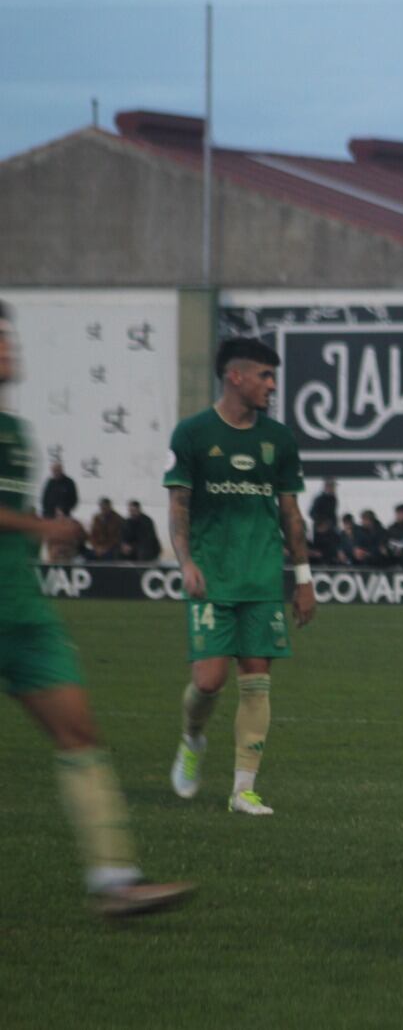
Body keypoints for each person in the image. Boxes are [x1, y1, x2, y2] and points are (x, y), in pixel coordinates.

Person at [0, 303, 194, 916]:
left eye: (9, 336)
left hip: (20, 612)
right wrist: (44, 525)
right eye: (0, 340)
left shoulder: (15, 433)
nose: (11, 348)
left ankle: (115, 880)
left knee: (80, 733)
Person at [163, 336, 316, 817]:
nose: (273, 385)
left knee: (257, 681)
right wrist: (185, 561)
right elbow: (178, 505)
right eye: (265, 376)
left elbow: (291, 513)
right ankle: (192, 739)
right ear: (236, 376)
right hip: (212, 576)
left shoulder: (279, 440)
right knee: (208, 682)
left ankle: (243, 789)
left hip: (262, 578)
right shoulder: (192, 434)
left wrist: (304, 577)